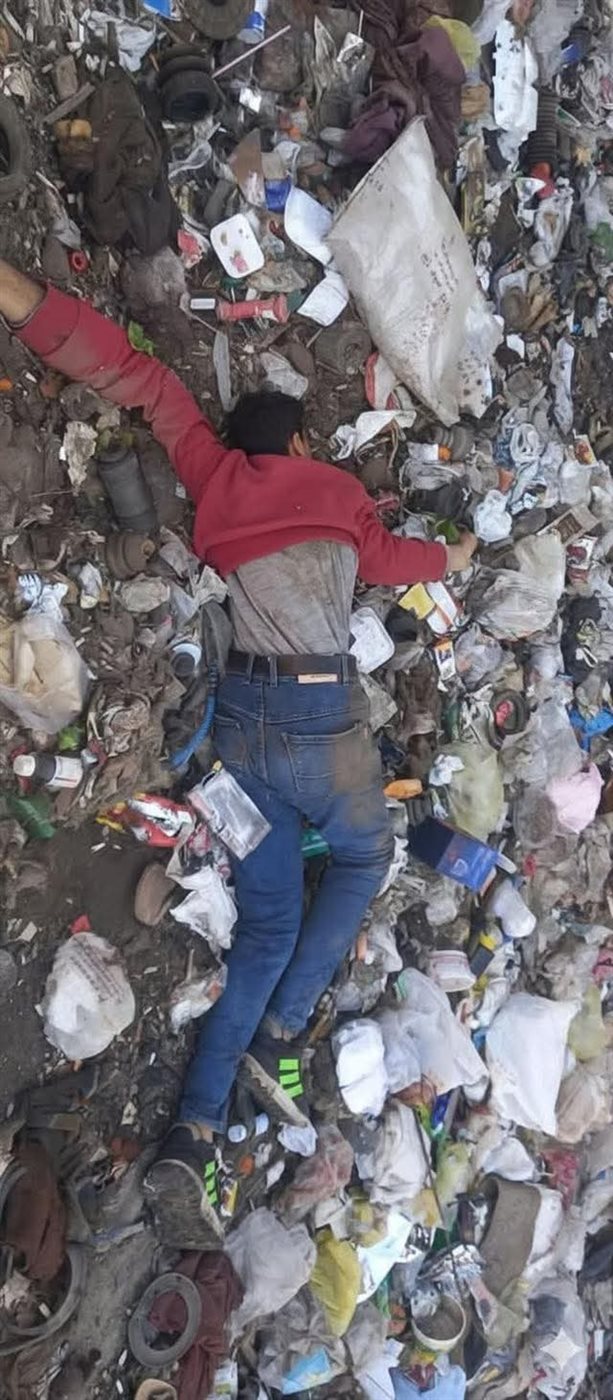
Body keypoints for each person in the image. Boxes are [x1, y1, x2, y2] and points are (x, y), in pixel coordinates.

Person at [0, 261, 477, 1241]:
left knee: (266, 923)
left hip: (233, 740)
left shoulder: (213, 476)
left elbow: (137, 378)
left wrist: (24, 299)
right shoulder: (338, 494)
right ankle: (279, 1029)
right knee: (365, 855)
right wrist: (461, 554)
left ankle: (195, 1128)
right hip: (316, 724)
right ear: (298, 444)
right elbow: (406, 562)